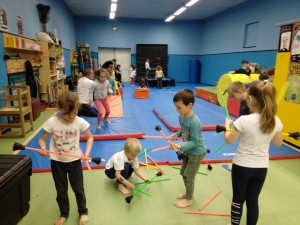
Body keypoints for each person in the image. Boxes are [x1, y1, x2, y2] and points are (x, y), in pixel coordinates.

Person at [224, 81, 283, 225]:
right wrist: (274, 131)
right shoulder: (275, 120)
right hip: (261, 168)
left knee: (238, 199)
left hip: (242, 166)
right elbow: (278, 143)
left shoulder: (244, 120)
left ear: (250, 99)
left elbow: (229, 140)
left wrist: (227, 127)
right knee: (253, 200)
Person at [38, 91, 93, 225]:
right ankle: (64, 213)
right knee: (61, 190)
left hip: (74, 161)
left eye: (74, 113)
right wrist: (43, 148)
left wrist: (86, 153)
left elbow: (90, 137)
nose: (71, 117)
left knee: (78, 189)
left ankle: (83, 211)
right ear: (61, 109)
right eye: (68, 114)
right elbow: (42, 139)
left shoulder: (79, 121)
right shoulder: (52, 122)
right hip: (57, 162)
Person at [168, 88, 207, 208]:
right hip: (187, 150)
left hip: (196, 152)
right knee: (183, 173)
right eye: (176, 107)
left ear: (189, 105)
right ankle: (188, 192)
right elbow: (183, 129)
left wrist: (180, 146)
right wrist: (177, 135)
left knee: (189, 176)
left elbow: (195, 142)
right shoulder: (182, 116)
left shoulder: (195, 122)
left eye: (179, 107)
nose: (177, 110)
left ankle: (189, 199)